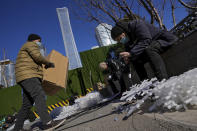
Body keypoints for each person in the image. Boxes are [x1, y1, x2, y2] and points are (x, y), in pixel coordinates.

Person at [14, 34, 65, 131]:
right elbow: (37, 56)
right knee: (39, 95)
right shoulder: (31, 44)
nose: (40, 43)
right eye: (39, 41)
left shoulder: (26, 47)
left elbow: (35, 61)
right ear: (35, 40)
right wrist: (48, 63)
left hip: (24, 76)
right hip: (29, 75)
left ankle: (17, 128)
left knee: (27, 104)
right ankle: (48, 123)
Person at [111, 19, 178, 81]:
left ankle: (163, 79)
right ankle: (145, 82)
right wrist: (128, 58)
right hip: (150, 47)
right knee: (134, 59)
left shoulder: (137, 24)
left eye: (120, 38)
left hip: (163, 40)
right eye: (118, 41)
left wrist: (131, 53)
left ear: (124, 32)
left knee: (149, 49)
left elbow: (146, 39)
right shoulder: (127, 40)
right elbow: (131, 53)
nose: (120, 41)